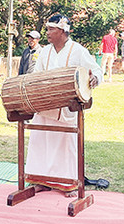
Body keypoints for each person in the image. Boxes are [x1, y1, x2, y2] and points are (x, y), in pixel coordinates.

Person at [24, 14, 100, 196]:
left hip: (68, 107)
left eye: (51, 29)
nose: (47, 33)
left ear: (62, 31)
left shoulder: (78, 50)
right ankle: (41, 180)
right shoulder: (45, 51)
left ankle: (69, 183)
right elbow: (37, 73)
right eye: (48, 29)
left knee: (67, 144)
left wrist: (94, 78)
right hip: (45, 106)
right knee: (41, 142)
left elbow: (95, 69)